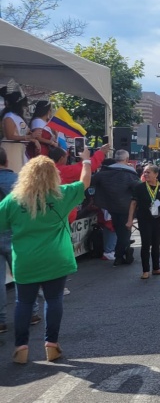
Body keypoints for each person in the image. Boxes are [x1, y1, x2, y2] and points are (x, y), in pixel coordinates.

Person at [0, 155, 92, 363]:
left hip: (25, 259)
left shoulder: (14, 200)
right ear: (54, 175)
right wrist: (86, 160)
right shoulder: (62, 194)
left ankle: (21, 346)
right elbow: (85, 182)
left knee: (23, 302)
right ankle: (51, 344)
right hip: (55, 258)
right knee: (53, 299)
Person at [0, 149, 41, 334]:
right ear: (7, 161)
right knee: (24, 277)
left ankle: (0, 321)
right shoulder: (19, 181)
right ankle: (31, 313)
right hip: (18, 233)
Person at [91, 150, 138, 266]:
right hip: (126, 207)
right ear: (127, 160)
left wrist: (96, 198)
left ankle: (121, 253)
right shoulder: (130, 174)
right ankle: (119, 255)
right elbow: (138, 189)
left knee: (117, 230)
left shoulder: (103, 173)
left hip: (109, 206)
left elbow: (90, 181)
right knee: (124, 233)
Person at [127, 165, 160, 280]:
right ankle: (145, 270)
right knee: (146, 244)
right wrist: (130, 220)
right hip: (144, 219)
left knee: (156, 244)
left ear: (156, 174)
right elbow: (133, 203)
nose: (145, 174)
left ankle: (156, 268)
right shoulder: (140, 187)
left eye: (148, 172)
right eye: (144, 172)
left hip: (158, 218)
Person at [1, 91, 37, 170]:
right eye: (24, 104)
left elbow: (26, 132)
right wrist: (28, 137)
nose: (25, 107)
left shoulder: (18, 117)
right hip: (10, 148)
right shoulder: (9, 117)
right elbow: (10, 136)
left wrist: (34, 138)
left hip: (18, 148)